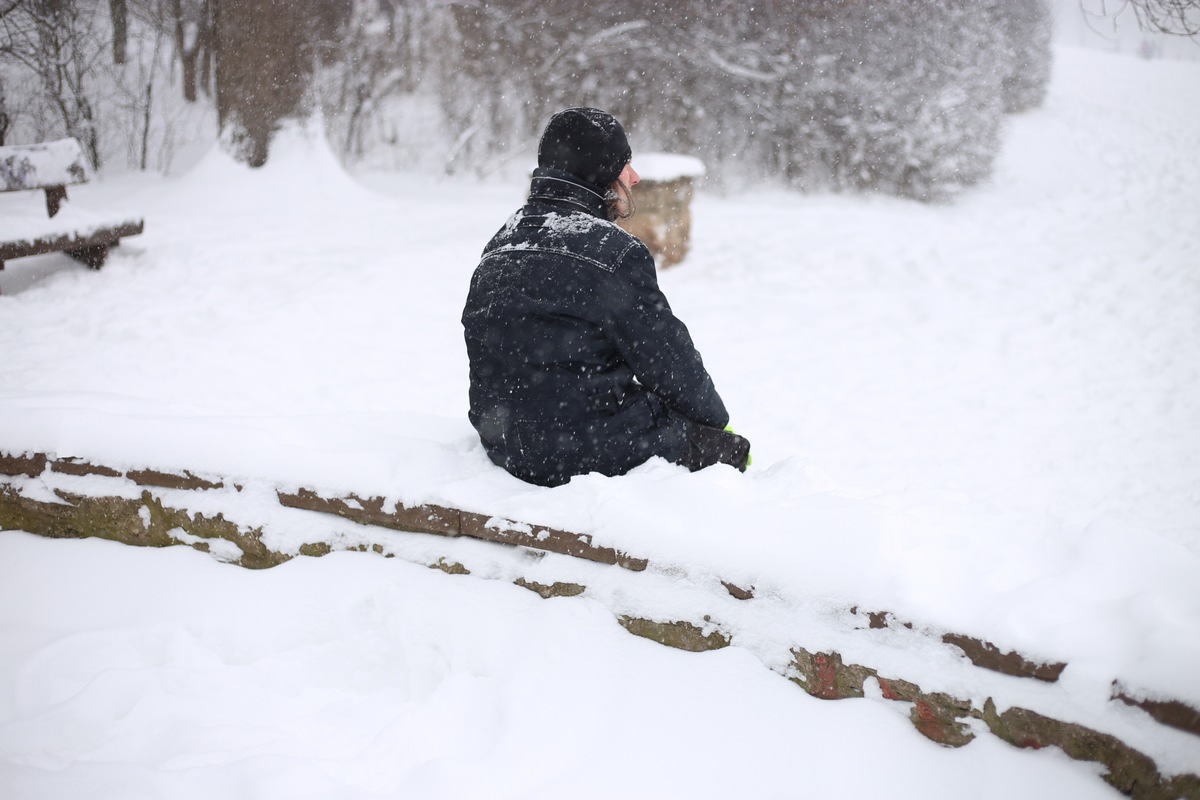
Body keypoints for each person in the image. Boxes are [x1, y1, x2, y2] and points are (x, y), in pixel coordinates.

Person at [462, 107, 750, 487]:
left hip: (504, 444)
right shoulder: (613, 253)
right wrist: (719, 426)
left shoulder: (502, 242)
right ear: (602, 173)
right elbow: (668, 362)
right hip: (581, 450)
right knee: (731, 452)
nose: (634, 177)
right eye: (624, 165)